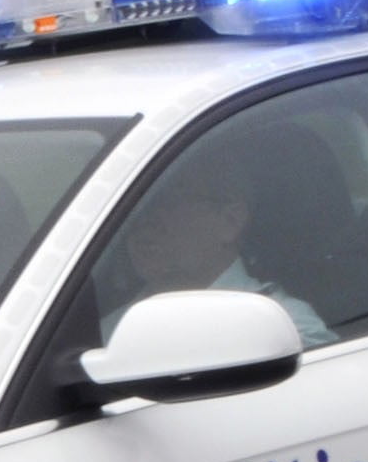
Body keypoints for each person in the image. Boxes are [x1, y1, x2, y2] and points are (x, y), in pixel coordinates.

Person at [93, 134, 332, 345]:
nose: (143, 219)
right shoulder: (108, 333)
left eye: (168, 201)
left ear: (230, 221)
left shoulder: (287, 330)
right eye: (135, 205)